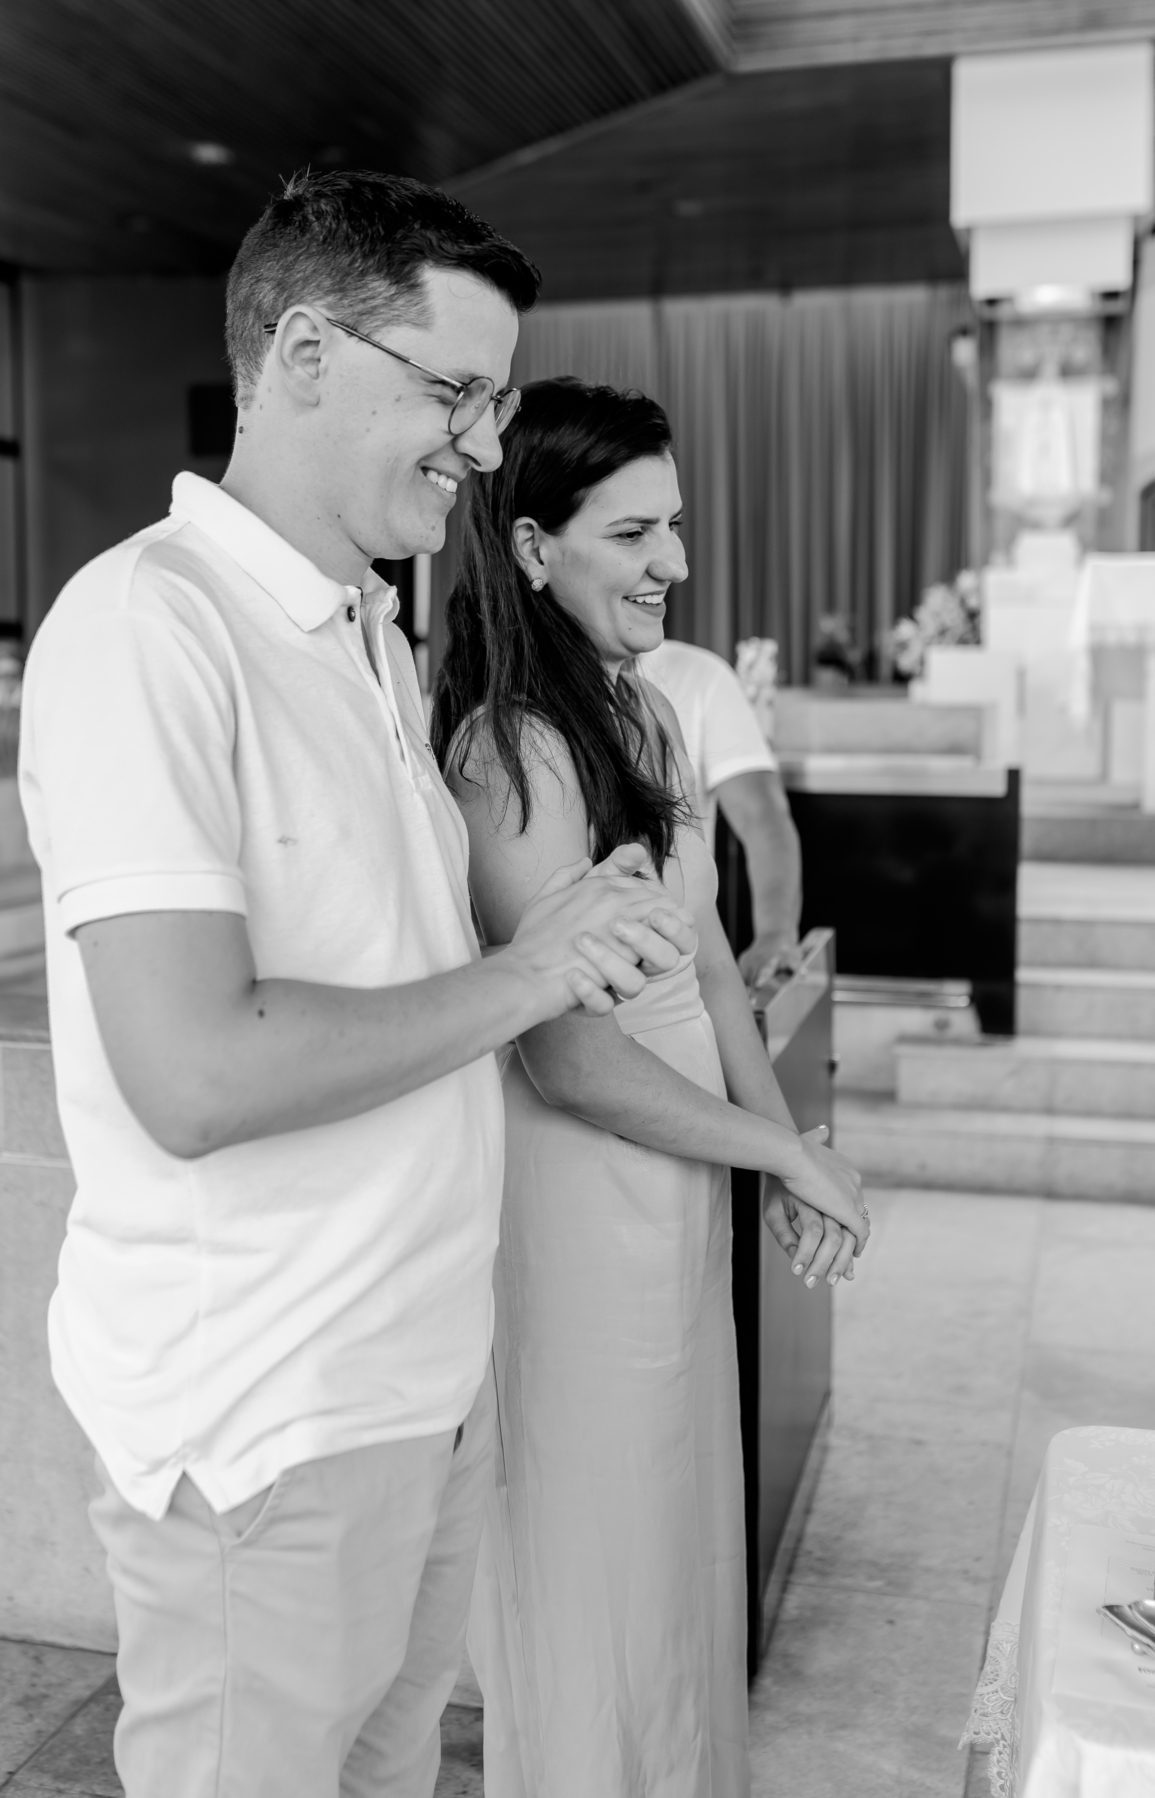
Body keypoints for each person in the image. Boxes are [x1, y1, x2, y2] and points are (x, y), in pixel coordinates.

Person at [17, 175, 697, 1798]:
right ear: (307, 351)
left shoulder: (366, 640)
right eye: (454, 390)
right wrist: (528, 974)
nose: (480, 440)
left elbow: (388, 981)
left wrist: (551, 935)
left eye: (499, 398)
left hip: (412, 1386)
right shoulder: (145, 628)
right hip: (266, 1427)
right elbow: (196, 1070)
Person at [432, 378, 869, 1798]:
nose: (674, 562)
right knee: (601, 1562)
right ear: (534, 546)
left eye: (674, 525)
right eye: (634, 532)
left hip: (679, 1182)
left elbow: (709, 976)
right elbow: (563, 1051)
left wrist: (786, 1141)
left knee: (683, 1544)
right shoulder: (513, 747)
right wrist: (771, 1150)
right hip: (580, 1204)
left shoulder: (648, 711)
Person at [641, 636, 803, 987]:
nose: (672, 576)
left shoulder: (701, 677)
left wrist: (775, 934)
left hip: (688, 969)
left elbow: (763, 820)